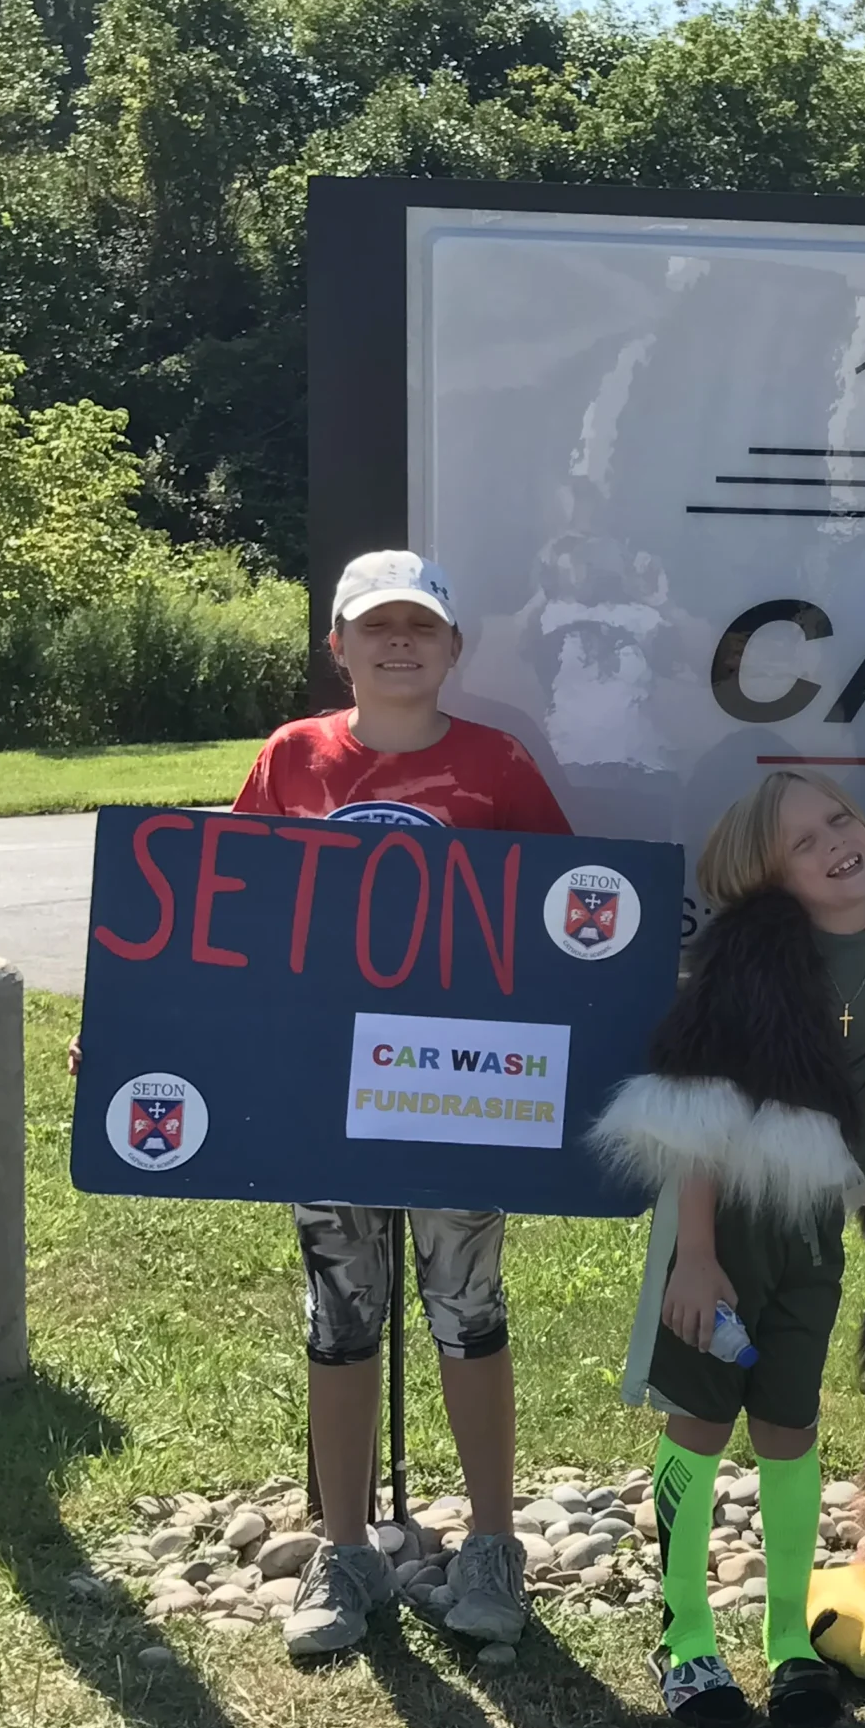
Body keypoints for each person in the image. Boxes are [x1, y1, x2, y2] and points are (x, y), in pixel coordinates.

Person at [232, 548, 572, 1657]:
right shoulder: (292, 760)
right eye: (374, 627)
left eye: (419, 629)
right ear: (337, 646)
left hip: (453, 1095)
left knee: (468, 1311)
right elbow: (219, 917)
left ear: (452, 648)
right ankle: (342, 1552)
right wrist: (149, 1027)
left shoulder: (496, 766)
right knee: (341, 1319)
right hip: (319, 1089)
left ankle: (487, 1542)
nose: (397, 645)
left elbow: (569, 923)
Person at [592, 770, 865, 1728]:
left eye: (841, 820)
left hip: (815, 1221)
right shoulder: (752, 962)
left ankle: (783, 1637)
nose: (835, 844)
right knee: (698, 1423)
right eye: (803, 844)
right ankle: (686, 1636)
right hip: (726, 1222)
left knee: (791, 1426)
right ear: (767, 878)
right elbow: (696, 1110)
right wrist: (695, 1256)